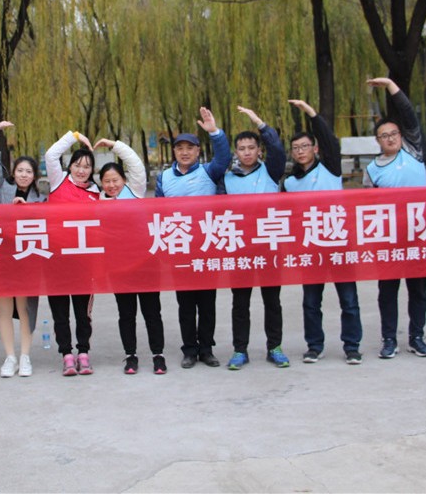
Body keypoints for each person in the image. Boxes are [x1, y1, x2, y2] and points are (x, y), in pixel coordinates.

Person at [283, 100, 363, 365]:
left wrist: (310, 113)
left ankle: (352, 346)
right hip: (310, 248)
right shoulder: (290, 183)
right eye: (296, 148)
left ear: (315, 148)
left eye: (305, 146)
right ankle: (314, 346)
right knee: (310, 302)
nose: (300, 151)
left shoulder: (330, 168)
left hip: (339, 243)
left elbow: (330, 141)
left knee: (348, 300)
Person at [155, 107, 232, 369]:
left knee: (207, 304)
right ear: (174, 152)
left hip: (206, 248)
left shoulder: (209, 172)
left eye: (190, 148)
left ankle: (206, 349)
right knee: (185, 305)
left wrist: (215, 132)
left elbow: (224, 157)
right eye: (180, 148)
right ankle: (189, 349)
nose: (185, 152)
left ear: (198, 151)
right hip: (180, 250)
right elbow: (158, 214)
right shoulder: (164, 178)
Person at [364, 77, 426, 359]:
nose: (390, 138)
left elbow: (409, 114)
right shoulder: (372, 169)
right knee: (388, 291)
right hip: (389, 239)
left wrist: (392, 86)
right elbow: (367, 208)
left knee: (418, 290)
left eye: (394, 133)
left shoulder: (412, 151)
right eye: (384, 136)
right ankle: (389, 339)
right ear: (378, 141)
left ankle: (417, 337)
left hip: (418, 234)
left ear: (402, 136)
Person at [220, 106, 289, 370]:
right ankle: (240, 350)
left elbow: (278, 150)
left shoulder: (271, 172)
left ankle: (275, 347)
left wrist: (260, 123)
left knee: (272, 301)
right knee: (240, 302)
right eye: (242, 149)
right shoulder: (227, 179)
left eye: (251, 148)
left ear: (259, 150)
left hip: (269, 246)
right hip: (240, 248)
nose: (247, 152)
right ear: (236, 153)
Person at [96, 137, 167, 375]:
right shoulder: (98, 202)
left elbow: (135, 163)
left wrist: (114, 144)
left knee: (152, 312)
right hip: (119, 267)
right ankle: (130, 356)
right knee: (126, 314)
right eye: (107, 181)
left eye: (115, 180)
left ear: (124, 180)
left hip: (146, 263)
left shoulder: (134, 191)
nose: (111, 185)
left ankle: (158, 355)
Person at [0, 121, 44, 377]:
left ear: (34, 176)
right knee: (4, 310)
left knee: (25, 310)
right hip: (2, 258)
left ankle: (25, 357)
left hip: (27, 260)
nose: (23, 175)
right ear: (14, 172)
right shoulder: (1, 188)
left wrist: (27, 210)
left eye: (28, 171)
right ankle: (10, 357)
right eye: (20, 170)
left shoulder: (40, 199)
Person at [45, 130, 101, 376]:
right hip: (56, 261)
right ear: (70, 166)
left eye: (87, 166)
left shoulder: (96, 193)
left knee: (82, 313)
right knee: (60, 312)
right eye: (77, 165)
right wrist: (75, 136)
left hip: (84, 263)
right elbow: (51, 154)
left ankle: (83, 353)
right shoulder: (58, 181)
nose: (81, 170)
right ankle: (66, 355)